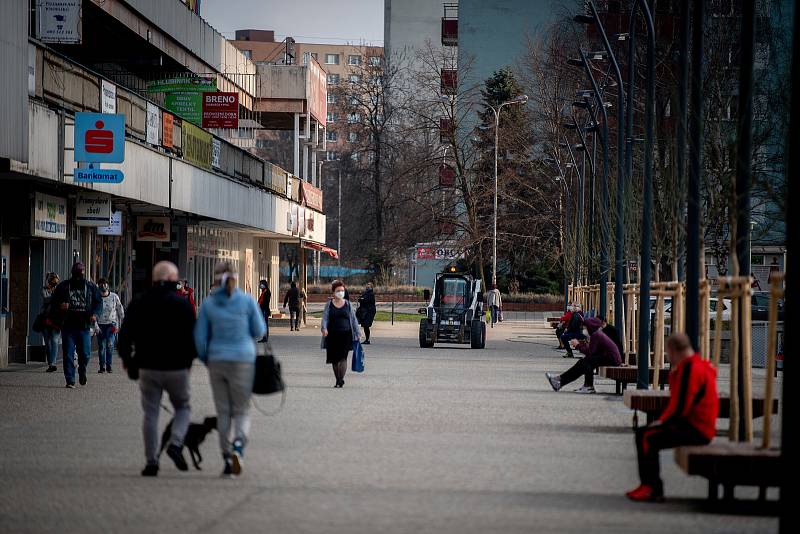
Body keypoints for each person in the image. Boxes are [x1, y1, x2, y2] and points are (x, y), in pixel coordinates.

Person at [117, 261, 197, 477]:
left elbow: (124, 335)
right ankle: (176, 442)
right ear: (173, 280)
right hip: (177, 367)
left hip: (148, 366)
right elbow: (193, 339)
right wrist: (189, 363)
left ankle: (152, 461)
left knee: (150, 412)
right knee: (182, 407)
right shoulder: (182, 305)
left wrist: (128, 359)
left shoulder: (140, 301)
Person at [626, 333, 718, 502]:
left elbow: (681, 406)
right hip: (700, 425)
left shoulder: (690, 370)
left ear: (674, 351)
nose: (669, 358)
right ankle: (649, 485)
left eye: (668, 354)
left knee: (646, 436)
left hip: (695, 428)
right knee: (645, 434)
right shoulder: (700, 365)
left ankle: (652, 487)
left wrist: (663, 422)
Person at [194, 262, 266, 477]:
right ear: (236, 276)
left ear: (216, 279)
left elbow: (199, 338)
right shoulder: (246, 300)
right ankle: (238, 446)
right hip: (243, 360)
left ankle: (226, 456)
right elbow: (259, 330)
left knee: (223, 411)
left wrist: (206, 358)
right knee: (242, 410)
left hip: (217, 360)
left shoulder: (208, 304)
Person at [49, 262, 102, 388]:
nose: (79, 275)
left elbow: (98, 302)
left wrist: (95, 314)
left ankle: (82, 370)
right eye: (77, 273)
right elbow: (53, 303)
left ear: (84, 273)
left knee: (85, 354)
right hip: (68, 325)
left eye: (81, 272)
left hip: (84, 326)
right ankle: (70, 380)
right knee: (68, 353)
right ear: (72, 273)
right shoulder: (63, 286)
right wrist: (60, 306)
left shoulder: (90, 286)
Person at [545, 317, 621, 394]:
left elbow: (590, 352)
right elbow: (592, 350)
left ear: (590, 326)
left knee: (587, 362)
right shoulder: (597, 334)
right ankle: (560, 381)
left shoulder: (596, 335)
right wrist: (581, 345)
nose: (584, 329)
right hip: (609, 358)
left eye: (585, 327)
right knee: (583, 362)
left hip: (612, 359)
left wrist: (577, 345)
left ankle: (588, 386)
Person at [320, 280, 361, 388]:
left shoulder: (347, 304)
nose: (340, 293)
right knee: (334, 359)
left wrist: (357, 332)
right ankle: (338, 379)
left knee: (343, 358)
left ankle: (340, 380)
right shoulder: (329, 305)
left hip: (345, 335)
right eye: (338, 291)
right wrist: (324, 328)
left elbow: (353, 319)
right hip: (332, 335)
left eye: (342, 291)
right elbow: (325, 318)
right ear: (333, 292)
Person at [96, 278, 124, 373]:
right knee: (101, 347)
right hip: (100, 325)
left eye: (105, 284)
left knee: (110, 345)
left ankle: (109, 365)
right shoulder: (96, 297)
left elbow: (120, 311)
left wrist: (119, 325)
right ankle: (102, 366)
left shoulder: (114, 297)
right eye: (101, 285)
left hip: (111, 325)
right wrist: (95, 326)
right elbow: (93, 313)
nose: (103, 287)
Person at [41, 272, 61, 373]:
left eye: (56, 281)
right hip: (45, 318)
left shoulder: (59, 290)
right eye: (53, 281)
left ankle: (53, 363)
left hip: (57, 318)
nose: (55, 283)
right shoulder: (44, 289)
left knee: (54, 340)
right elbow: (45, 299)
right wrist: (55, 297)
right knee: (48, 343)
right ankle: (50, 362)